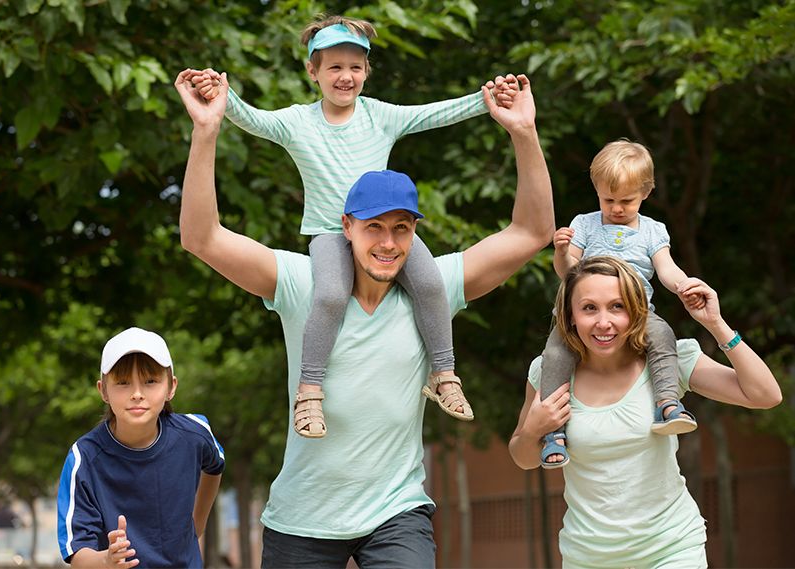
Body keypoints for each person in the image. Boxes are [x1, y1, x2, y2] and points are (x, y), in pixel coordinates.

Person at [174, 64, 553, 567]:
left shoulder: (434, 289)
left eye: (401, 228)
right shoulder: (304, 282)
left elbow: (532, 232)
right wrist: (206, 132)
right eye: (374, 227)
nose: (388, 242)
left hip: (397, 513)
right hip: (302, 518)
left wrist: (524, 132)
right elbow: (202, 238)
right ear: (347, 227)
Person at [185, 14, 519, 436]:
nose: (346, 76)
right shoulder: (297, 122)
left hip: (382, 229)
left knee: (431, 284)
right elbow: (254, 119)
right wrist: (222, 95)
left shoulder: (380, 116)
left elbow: (434, 114)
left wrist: (487, 99)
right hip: (330, 234)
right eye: (335, 67)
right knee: (328, 295)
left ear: (366, 71)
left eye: (356, 67)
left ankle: (444, 374)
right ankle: (309, 391)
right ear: (313, 71)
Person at [509, 256, 781, 568]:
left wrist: (716, 324)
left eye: (617, 306)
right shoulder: (548, 374)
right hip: (588, 557)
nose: (603, 322)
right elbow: (523, 458)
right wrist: (533, 430)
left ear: (636, 310)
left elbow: (765, 395)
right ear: (570, 316)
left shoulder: (667, 363)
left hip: (672, 549)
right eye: (589, 308)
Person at [540, 139, 704, 469]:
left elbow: (666, 269)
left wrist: (683, 285)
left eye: (626, 201)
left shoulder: (652, 231)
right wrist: (562, 252)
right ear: (596, 191)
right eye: (608, 200)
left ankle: (667, 403)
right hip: (583, 312)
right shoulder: (584, 224)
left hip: (634, 313)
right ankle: (553, 432)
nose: (616, 208)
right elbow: (568, 273)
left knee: (663, 336)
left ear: (646, 192)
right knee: (555, 355)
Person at [56, 327, 225, 568]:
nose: (137, 393)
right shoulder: (83, 458)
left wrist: (197, 524)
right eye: (123, 382)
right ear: (103, 390)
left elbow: (215, 465)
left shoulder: (194, 433)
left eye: (150, 381)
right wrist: (107, 559)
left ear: (171, 387)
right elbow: (78, 554)